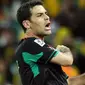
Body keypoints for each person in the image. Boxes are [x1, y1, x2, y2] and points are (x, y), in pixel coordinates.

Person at [15, 0, 73, 85]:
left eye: (46, 13)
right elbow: (67, 61)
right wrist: (66, 50)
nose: (47, 17)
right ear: (27, 24)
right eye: (40, 15)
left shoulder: (41, 51)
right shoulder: (30, 44)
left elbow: (66, 82)